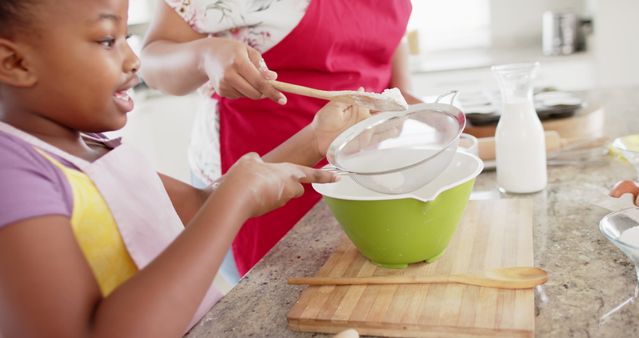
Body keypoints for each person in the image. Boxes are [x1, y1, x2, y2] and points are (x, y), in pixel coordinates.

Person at [0, 0, 371, 336]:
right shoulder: (13, 179)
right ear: (14, 63)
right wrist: (234, 201)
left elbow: (196, 206)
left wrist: (316, 138)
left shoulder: (95, 142)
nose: (133, 60)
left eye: (126, 37)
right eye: (106, 41)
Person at [141, 0, 418, 280]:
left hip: (359, 166)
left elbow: (387, 34)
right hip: (259, 163)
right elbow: (151, 62)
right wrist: (206, 55)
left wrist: (401, 94)